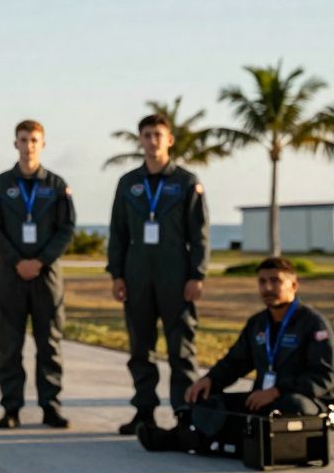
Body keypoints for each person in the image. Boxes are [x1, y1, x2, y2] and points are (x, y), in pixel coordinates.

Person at [137, 257, 334, 454]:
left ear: (293, 285)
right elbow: (235, 362)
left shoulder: (313, 324)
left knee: (290, 406)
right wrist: (209, 380)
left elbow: (324, 376)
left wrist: (276, 392)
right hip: (260, 400)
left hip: (304, 402)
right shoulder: (257, 324)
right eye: (262, 282)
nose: (267, 288)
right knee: (208, 402)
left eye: (275, 281)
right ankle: (180, 438)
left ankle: (216, 440)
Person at [107, 113, 209, 435]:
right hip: (137, 275)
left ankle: (185, 414)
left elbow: (200, 234)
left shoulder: (186, 182)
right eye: (147, 134)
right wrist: (117, 274)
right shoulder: (128, 184)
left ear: (170, 140)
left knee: (181, 349)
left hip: (175, 275)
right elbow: (118, 232)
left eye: (158, 135)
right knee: (140, 348)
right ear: (140, 139)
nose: (152, 141)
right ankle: (144, 412)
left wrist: (197, 274)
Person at [0, 119, 76, 429]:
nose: (29, 145)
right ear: (16, 144)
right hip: (11, 275)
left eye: (34, 140)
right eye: (23, 140)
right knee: (10, 346)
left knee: (49, 344)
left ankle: (51, 407)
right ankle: (11, 409)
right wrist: (16, 260)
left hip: (46, 276)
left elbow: (67, 228)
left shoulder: (57, 186)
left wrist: (40, 261)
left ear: (43, 144)